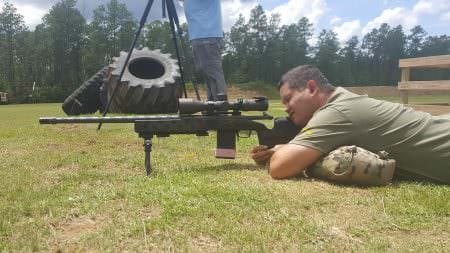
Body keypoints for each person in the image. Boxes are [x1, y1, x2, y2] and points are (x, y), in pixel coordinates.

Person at [251, 65, 450, 184]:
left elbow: (280, 167)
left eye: (288, 99)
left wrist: (282, 151)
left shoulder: (337, 111)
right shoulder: (342, 103)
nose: (285, 108)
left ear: (311, 87)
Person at [181, 0, 228, 101]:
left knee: (214, 73)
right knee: (208, 74)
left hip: (207, 34)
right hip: (199, 35)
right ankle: (212, 105)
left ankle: (220, 106)